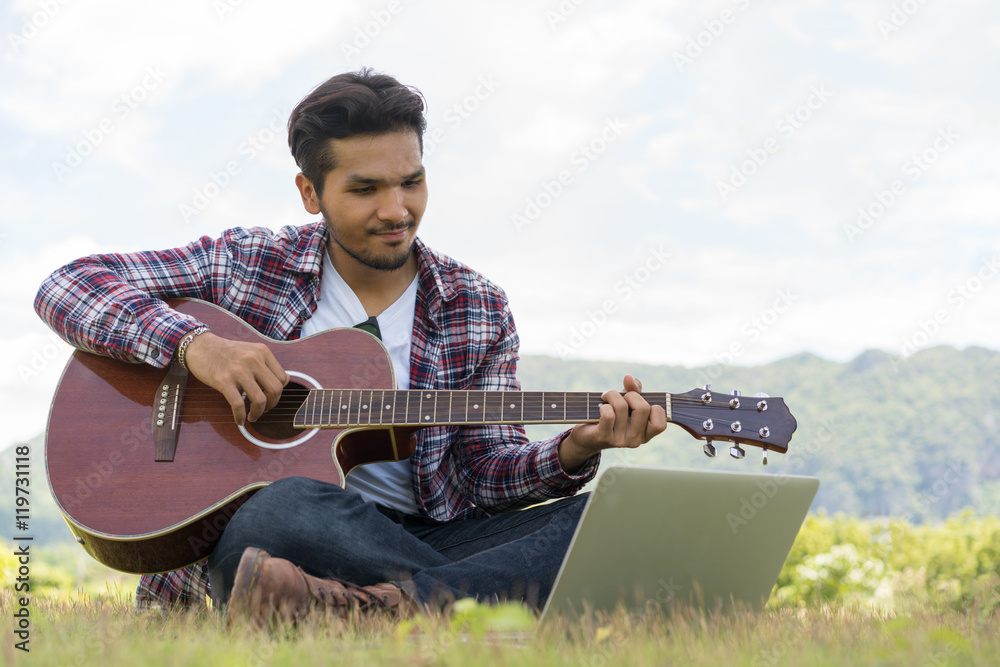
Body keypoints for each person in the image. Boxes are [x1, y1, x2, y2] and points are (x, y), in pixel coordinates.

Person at [34, 68, 667, 624]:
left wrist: (577, 445)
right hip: (288, 534)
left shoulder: (476, 304)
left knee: (611, 520)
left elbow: (483, 469)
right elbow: (69, 285)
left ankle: (372, 609)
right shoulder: (250, 262)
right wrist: (195, 346)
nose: (397, 210)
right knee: (280, 509)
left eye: (411, 182)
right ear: (311, 194)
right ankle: (473, 602)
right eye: (365, 189)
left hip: (428, 537)